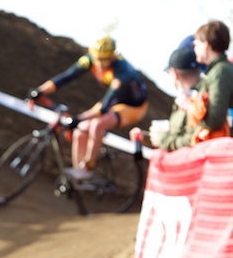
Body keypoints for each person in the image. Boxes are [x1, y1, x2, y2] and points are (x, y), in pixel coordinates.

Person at [30, 36, 148, 180]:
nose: (99, 64)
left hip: (134, 106)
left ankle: (88, 168)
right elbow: (67, 76)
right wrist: (40, 90)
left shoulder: (123, 73)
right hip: (115, 102)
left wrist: (78, 118)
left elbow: (104, 107)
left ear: (112, 57)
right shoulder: (90, 59)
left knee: (97, 124)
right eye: (97, 59)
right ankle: (78, 174)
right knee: (80, 130)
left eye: (103, 60)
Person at [134, 47, 202, 151]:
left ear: (174, 74)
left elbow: (192, 141)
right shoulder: (188, 97)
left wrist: (160, 139)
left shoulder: (195, 100)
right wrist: (147, 137)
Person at [189, 20, 233, 143]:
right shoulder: (219, 71)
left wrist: (190, 108)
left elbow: (215, 121)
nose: (194, 48)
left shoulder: (220, 72)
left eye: (196, 44)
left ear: (206, 45)